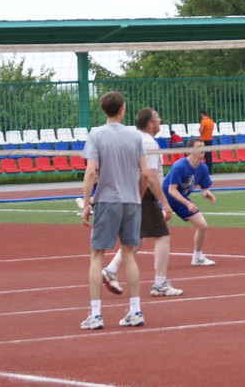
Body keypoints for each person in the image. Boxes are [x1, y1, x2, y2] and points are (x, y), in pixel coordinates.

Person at [78, 91, 148, 330]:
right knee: (129, 254)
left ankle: (96, 314)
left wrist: (87, 204)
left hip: (107, 200)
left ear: (104, 110)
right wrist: (137, 196)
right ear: (123, 109)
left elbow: (90, 172)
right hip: (131, 201)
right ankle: (136, 310)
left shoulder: (96, 134)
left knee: (97, 255)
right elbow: (145, 174)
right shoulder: (135, 136)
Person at [101, 107, 183, 298]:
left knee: (136, 240)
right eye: (157, 118)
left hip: (127, 191)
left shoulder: (129, 138)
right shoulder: (149, 143)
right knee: (162, 236)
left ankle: (110, 269)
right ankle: (160, 283)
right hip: (143, 193)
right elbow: (150, 175)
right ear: (150, 123)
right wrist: (164, 204)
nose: (160, 120)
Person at [164, 138, 217, 267]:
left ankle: (197, 257)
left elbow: (204, 189)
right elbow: (172, 190)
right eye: (199, 146)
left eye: (203, 146)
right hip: (165, 197)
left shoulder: (203, 168)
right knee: (160, 226)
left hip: (180, 199)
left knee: (202, 225)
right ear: (190, 150)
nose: (202, 149)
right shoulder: (179, 166)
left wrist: (207, 194)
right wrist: (187, 203)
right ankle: (158, 259)